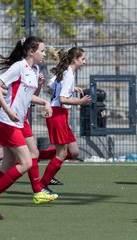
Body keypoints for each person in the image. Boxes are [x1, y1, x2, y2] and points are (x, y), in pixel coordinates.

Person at [0, 36, 52, 220]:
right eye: (42, 50)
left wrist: (44, 100)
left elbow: (27, 96)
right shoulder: (19, 66)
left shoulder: (34, 69)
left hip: (15, 122)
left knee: (8, 164)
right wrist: (8, 110)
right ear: (31, 51)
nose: (44, 53)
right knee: (26, 162)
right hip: (6, 121)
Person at [39, 47, 91, 196]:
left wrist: (71, 89)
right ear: (75, 60)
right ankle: (42, 185)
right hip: (57, 115)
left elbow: (54, 88)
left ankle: (40, 162)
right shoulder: (68, 74)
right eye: (83, 59)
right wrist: (80, 102)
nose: (84, 62)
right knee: (61, 154)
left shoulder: (66, 72)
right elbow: (62, 99)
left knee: (73, 152)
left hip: (60, 114)